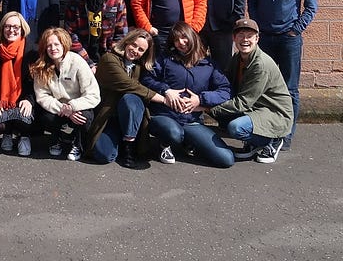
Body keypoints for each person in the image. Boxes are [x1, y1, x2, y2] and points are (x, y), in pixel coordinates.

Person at [247, 0, 318, 150]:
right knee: (261, 86)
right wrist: (258, 28)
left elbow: (311, 6)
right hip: (265, 39)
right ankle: (263, 131)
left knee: (289, 89)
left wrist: (295, 29)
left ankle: (286, 135)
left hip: (289, 40)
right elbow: (252, 4)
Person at [141, 22, 234, 168]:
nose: (180, 43)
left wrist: (200, 99)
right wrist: (166, 90)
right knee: (174, 134)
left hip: (191, 120)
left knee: (226, 159)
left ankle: (189, 141)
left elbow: (225, 91)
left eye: (184, 38)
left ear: (193, 37)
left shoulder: (209, 65)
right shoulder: (165, 59)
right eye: (176, 40)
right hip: (164, 115)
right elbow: (146, 79)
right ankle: (165, 144)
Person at [208, 18, 293, 164]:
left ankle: (272, 140)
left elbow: (243, 102)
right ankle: (255, 142)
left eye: (249, 36)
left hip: (274, 111)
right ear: (234, 38)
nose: (245, 40)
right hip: (255, 108)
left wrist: (207, 107)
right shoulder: (237, 58)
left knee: (235, 128)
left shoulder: (260, 64)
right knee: (222, 116)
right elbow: (226, 85)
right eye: (240, 35)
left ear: (257, 39)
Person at [87, 29, 155, 170]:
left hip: (131, 117)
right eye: (134, 45)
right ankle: (118, 142)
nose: (135, 50)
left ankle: (129, 146)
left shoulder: (141, 67)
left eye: (141, 50)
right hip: (109, 117)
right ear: (127, 41)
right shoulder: (109, 59)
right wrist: (161, 98)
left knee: (130, 99)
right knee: (104, 155)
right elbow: (128, 84)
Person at [31, 27, 100, 162]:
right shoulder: (41, 66)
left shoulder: (78, 62)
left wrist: (73, 106)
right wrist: (64, 109)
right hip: (59, 108)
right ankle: (56, 139)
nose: (53, 48)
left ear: (64, 44)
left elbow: (93, 94)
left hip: (78, 105)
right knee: (45, 116)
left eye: (57, 44)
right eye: (49, 45)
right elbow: (42, 96)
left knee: (84, 117)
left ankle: (77, 144)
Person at [64, 0, 128, 70]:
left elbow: (121, 35)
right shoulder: (76, 0)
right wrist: (88, 63)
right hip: (80, 58)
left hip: (109, 58)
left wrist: (106, 60)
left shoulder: (116, 0)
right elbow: (70, 34)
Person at [0, 12, 36, 157]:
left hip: (23, 99)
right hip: (3, 101)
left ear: (22, 29)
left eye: (16, 27)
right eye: (7, 26)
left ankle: (24, 136)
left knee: (26, 117)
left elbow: (37, 83)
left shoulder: (31, 51)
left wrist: (29, 100)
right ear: (2, 29)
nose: (11, 30)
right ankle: (7, 133)